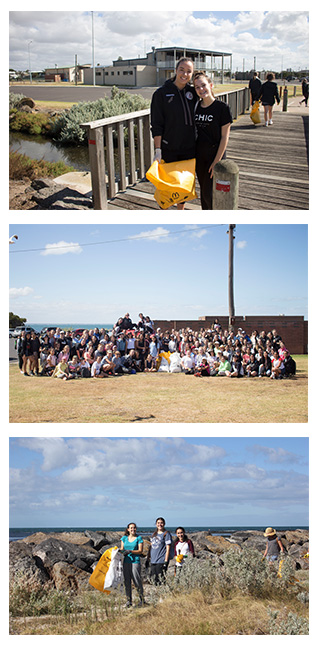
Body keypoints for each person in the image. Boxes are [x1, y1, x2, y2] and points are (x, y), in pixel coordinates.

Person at [151, 57, 197, 210]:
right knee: (168, 185)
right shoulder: (161, 94)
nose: (185, 74)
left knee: (183, 185)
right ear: (176, 70)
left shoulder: (193, 92)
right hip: (169, 148)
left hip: (189, 148)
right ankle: (164, 209)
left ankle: (180, 211)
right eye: (182, 70)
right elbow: (157, 124)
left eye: (189, 71)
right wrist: (158, 150)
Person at [193, 71, 232, 210]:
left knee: (212, 195)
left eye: (203, 85)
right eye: (197, 87)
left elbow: (224, 137)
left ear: (211, 85)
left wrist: (216, 162)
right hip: (200, 157)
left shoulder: (222, 108)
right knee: (204, 193)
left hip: (216, 157)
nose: (201, 89)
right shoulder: (196, 107)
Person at [120, 522, 144, 608]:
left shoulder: (139, 538)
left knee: (137, 581)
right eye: (131, 528)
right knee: (127, 582)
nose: (133, 529)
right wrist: (119, 551)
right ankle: (128, 601)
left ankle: (142, 600)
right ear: (128, 529)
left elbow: (140, 551)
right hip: (126, 562)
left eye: (134, 528)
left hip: (135, 562)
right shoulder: (124, 538)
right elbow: (122, 549)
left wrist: (131, 551)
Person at [146, 517, 172, 585]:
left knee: (161, 580)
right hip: (153, 560)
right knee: (153, 580)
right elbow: (151, 547)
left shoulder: (166, 534)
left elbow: (168, 548)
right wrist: (148, 558)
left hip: (161, 560)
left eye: (161, 523)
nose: (160, 524)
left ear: (164, 524)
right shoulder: (154, 534)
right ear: (156, 524)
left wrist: (166, 561)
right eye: (158, 523)